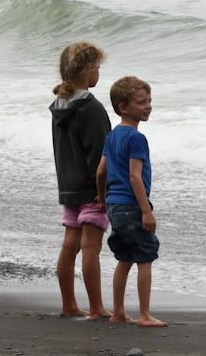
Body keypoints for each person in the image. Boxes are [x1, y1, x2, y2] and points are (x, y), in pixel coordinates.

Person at [96, 76, 167, 327]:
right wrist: (146, 210)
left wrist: (103, 201)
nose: (148, 106)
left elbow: (100, 172)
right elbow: (134, 176)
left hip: (115, 206)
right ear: (123, 107)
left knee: (124, 257)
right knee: (145, 256)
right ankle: (145, 314)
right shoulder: (137, 138)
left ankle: (117, 312)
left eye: (149, 101)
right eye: (141, 102)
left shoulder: (112, 136)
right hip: (132, 205)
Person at [49, 41, 112, 319]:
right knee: (91, 247)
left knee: (69, 245)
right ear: (87, 70)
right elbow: (101, 155)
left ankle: (68, 305)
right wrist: (103, 192)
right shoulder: (91, 107)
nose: (99, 72)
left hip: (68, 184)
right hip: (91, 188)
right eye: (98, 67)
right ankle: (97, 308)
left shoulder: (60, 104)